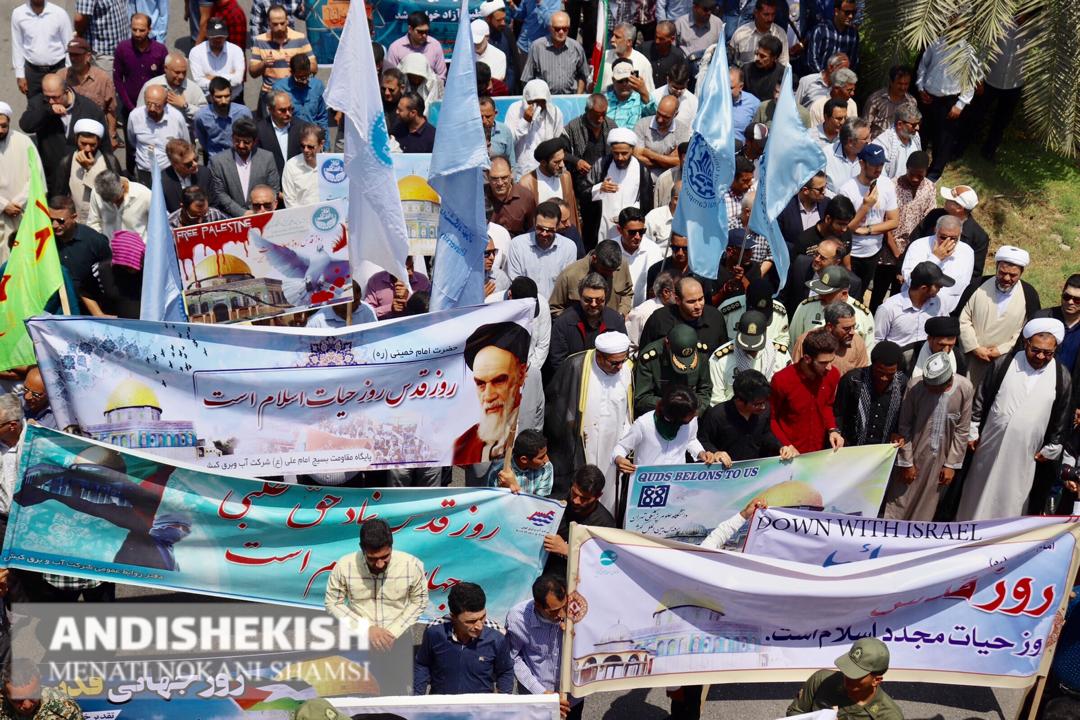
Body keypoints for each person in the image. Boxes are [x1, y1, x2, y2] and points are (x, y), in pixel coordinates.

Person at [957, 319, 1073, 521]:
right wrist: (973, 428)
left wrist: (1054, 444)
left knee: (1014, 497)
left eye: (1048, 353)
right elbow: (982, 397)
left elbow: (1063, 414)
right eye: (1035, 350)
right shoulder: (1004, 363)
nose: (1040, 356)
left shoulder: (1060, 375)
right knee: (978, 491)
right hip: (990, 444)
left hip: (1027, 452)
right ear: (1026, 343)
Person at [544, 332, 633, 508]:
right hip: (583, 442)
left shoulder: (627, 369)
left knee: (610, 492)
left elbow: (627, 412)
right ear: (599, 356)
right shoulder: (576, 366)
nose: (619, 367)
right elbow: (559, 406)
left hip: (614, 443)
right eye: (614, 363)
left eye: (622, 361)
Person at [884, 351, 973, 521]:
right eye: (927, 384)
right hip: (914, 454)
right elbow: (904, 426)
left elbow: (962, 430)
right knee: (899, 504)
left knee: (926, 507)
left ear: (947, 382)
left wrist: (951, 465)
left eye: (933, 387)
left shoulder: (965, 388)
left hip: (941, 460)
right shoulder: (915, 387)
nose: (928, 388)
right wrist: (907, 463)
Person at [324, 518, 428, 651]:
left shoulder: (412, 566)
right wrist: (366, 629)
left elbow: (419, 601)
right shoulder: (344, 566)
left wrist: (393, 632)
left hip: (399, 640)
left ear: (391, 546)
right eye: (372, 558)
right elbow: (333, 603)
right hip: (357, 640)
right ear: (362, 548)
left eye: (385, 557)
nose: (379, 564)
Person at [958, 245, 1038, 389]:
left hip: (1005, 359)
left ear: (1021, 273)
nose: (1006, 278)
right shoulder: (978, 286)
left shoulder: (1029, 294)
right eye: (1002, 273)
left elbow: (1027, 330)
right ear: (996, 267)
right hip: (972, 357)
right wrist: (974, 347)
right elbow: (963, 319)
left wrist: (1002, 350)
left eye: (1013, 275)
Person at [414, 582, 514, 695]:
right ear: (453, 617)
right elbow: (422, 664)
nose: (479, 626)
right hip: (442, 705)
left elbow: (505, 671)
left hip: (481, 705)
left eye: (482, 617)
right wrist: (417, 698)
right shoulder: (434, 631)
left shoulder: (497, 636)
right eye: (470, 621)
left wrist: (503, 700)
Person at [453, 322, 531, 465]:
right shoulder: (464, 444)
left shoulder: (532, 389)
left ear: (520, 375)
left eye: (499, 381)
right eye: (481, 384)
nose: (488, 396)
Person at [505, 575, 579, 720]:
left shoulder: (576, 612)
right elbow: (514, 658)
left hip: (572, 698)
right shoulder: (518, 619)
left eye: (564, 607)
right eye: (554, 611)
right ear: (538, 606)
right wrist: (541, 692)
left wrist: (577, 633)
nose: (561, 614)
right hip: (536, 699)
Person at [19, 74, 107, 194]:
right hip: (52, 176)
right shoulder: (39, 103)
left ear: (66, 91)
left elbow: (105, 146)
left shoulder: (89, 109)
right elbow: (26, 125)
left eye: (55, 97)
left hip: (81, 173)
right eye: (47, 97)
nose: (51, 101)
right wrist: (48, 111)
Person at [839, 144, 899, 309]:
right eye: (874, 164)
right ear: (862, 163)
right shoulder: (847, 190)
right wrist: (865, 207)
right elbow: (845, 229)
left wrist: (868, 230)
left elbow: (894, 221)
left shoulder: (886, 184)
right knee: (846, 295)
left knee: (860, 294)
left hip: (873, 252)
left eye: (881, 164)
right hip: (851, 253)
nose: (878, 168)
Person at [614, 384, 717, 478]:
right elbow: (622, 447)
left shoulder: (692, 420)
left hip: (677, 481)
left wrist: (701, 453)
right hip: (647, 481)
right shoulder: (644, 424)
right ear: (675, 417)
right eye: (690, 416)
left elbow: (691, 440)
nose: (696, 415)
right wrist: (618, 458)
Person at [700, 368, 796, 465]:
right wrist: (716, 453)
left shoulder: (765, 411)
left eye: (764, 402)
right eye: (757, 404)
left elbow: (766, 434)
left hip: (756, 468)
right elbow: (703, 441)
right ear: (739, 401)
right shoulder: (717, 415)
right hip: (726, 468)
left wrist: (780, 447)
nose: (763, 407)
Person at [787, 638, 902, 719]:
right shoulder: (822, 680)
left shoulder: (889, 716)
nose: (848, 677)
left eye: (857, 675)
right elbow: (795, 712)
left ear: (876, 680)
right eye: (848, 668)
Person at [771, 328, 844, 453]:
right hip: (789, 455)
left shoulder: (833, 375)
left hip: (819, 453)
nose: (829, 367)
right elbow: (771, 419)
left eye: (831, 361)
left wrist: (833, 429)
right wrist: (786, 444)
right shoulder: (782, 380)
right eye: (823, 363)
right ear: (807, 358)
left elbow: (826, 405)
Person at [546, 273, 628, 381]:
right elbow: (558, 362)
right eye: (588, 300)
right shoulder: (563, 323)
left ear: (606, 298)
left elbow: (623, 354)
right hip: (574, 381)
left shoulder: (616, 321)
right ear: (580, 297)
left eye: (599, 300)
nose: (593, 304)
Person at [916, 35, 975, 181]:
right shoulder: (935, 43)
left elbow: (970, 81)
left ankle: (933, 175)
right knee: (921, 135)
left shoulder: (968, 51)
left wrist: (960, 105)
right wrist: (920, 88)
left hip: (949, 102)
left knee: (943, 140)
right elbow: (923, 66)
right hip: (928, 98)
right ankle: (916, 166)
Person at [543, 465, 617, 578]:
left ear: (598, 496)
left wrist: (568, 551)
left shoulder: (605, 525)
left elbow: (606, 562)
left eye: (584, 498)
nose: (576, 501)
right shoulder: (552, 505)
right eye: (574, 493)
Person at [586, 128, 654, 244]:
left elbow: (646, 202)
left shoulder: (641, 169)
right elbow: (584, 190)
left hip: (630, 228)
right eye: (616, 153)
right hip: (604, 225)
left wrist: (629, 215)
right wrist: (599, 188)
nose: (620, 157)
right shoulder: (601, 165)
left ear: (632, 150)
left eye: (624, 153)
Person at [834, 340, 907, 447]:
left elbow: (902, 415)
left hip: (883, 447)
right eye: (880, 372)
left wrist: (897, 434)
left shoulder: (902, 383)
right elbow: (839, 413)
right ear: (873, 365)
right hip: (851, 446)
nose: (884, 378)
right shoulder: (853, 380)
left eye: (890, 374)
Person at [710, 310, 791, 404]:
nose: (750, 349)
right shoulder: (720, 359)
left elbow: (788, 391)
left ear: (765, 332)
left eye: (755, 345)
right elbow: (717, 400)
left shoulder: (781, 355)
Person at [913, 184, 990, 283]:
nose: (946, 200)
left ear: (959, 208)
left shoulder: (979, 237)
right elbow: (914, 239)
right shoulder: (934, 215)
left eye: (950, 200)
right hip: (916, 275)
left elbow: (974, 274)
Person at [789, 266, 875, 353]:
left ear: (844, 294)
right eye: (820, 291)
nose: (821, 296)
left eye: (827, 293)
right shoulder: (806, 307)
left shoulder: (862, 315)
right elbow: (793, 344)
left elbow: (868, 352)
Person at [208, 117, 281, 218]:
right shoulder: (217, 162)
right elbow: (219, 193)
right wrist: (241, 212)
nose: (241, 145)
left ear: (255, 141)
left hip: (263, 215)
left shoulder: (267, 158)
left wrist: (259, 210)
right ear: (232, 138)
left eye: (246, 142)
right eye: (237, 141)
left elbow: (273, 188)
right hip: (232, 218)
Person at [634, 324, 712, 417]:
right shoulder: (651, 359)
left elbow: (705, 389)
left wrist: (696, 412)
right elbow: (641, 398)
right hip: (661, 414)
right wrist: (672, 406)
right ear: (667, 343)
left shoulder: (700, 353)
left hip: (692, 414)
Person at [249, 5, 317, 110]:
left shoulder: (300, 38)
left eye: (282, 23)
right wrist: (263, 64)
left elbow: (314, 68)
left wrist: (298, 64)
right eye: (275, 24)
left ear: (287, 21)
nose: (279, 27)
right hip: (270, 95)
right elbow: (253, 72)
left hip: (295, 94)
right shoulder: (260, 41)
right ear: (268, 23)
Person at [54, 119, 120, 226]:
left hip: (104, 222)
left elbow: (116, 193)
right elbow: (59, 195)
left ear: (99, 142)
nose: (87, 149)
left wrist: (90, 169)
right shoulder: (67, 162)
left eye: (92, 144)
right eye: (83, 144)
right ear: (76, 140)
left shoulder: (109, 161)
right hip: (78, 222)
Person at [900, 215, 971, 314]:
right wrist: (935, 258)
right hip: (913, 309)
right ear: (935, 231)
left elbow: (963, 286)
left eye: (953, 238)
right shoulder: (918, 246)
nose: (947, 242)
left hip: (943, 313)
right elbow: (911, 280)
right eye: (943, 237)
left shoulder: (967, 252)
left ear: (960, 235)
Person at [640, 276, 729, 353]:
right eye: (691, 302)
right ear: (678, 300)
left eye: (701, 299)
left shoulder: (715, 318)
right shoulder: (659, 319)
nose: (698, 306)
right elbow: (646, 356)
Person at [548, 240, 634, 318]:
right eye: (606, 270)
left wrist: (621, 313)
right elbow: (555, 308)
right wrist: (574, 324)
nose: (611, 274)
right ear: (594, 259)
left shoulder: (621, 264)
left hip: (612, 326)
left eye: (614, 270)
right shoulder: (570, 275)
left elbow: (627, 293)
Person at [874, 261, 949, 346]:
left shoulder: (939, 303)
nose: (941, 287)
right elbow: (876, 341)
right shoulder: (889, 308)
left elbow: (945, 331)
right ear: (923, 288)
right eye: (937, 286)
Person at [112, 14, 167, 128]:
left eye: (142, 30)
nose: (137, 34)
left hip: (155, 109)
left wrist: (158, 104)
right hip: (129, 108)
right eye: (134, 29)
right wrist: (130, 106)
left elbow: (165, 80)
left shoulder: (160, 50)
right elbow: (118, 79)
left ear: (149, 29)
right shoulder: (122, 48)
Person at [0, 104, 45, 245]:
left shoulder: (24, 142)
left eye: (4, 126)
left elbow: (36, 177)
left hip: (22, 213)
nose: (0, 130)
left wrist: (19, 202)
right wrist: (3, 205)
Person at [126, 84, 188, 185]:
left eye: (157, 105)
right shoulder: (135, 116)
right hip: (144, 172)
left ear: (165, 103)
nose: (152, 109)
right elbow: (132, 140)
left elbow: (185, 145)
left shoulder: (176, 118)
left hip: (168, 172)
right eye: (148, 104)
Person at [61, 38, 118, 147]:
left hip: (94, 139)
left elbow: (110, 111)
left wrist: (112, 135)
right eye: (71, 55)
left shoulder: (102, 79)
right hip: (68, 138)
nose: (73, 58)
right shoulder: (61, 77)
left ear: (88, 56)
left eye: (77, 55)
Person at [11, 0, 73, 99]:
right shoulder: (18, 14)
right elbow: (17, 45)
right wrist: (20, 75)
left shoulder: (59, 13)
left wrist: (69, 72)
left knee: (59, 105)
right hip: (33, 73)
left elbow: (69, 44)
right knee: (35, 105)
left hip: (58, 70)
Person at [521, 11, 590, 96]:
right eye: (557, 29)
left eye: (565, 29)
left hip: (570, 99)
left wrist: (577, 97)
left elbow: (583, 75)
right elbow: (527, 79)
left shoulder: (577, 47)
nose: (561, 32)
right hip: (544, 99)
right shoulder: (537, 47)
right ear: (550, 28)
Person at [519, 138, 581, 232]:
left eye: (562, 160)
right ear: (543, 163)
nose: (562, 165)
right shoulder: (527, 182)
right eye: (557, 162)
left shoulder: (566, 177)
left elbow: (571, 210)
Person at [506, 80, 565, 177]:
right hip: (520, 170)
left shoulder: (555, 113)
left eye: (541, 101)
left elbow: (556, 144)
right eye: (533, 102)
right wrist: (525, 121)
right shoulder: (515, 110)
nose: (537, 105)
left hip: (545, 171)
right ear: (526, 99)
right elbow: (509, 142)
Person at [138, 52, 206, 131]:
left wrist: (186, 106)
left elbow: (205, 117)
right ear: (165, 68)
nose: (181, 76)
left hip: (185, 136)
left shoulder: (193, 89)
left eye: (184, 72)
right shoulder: (150, 86)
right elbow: (139, 116)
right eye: (177, 72)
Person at [892, 151, 935, 273]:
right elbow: (885, 221)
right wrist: (896, 252)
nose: (915, 179)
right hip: (889, 249)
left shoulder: (929, 188)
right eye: (911, 174)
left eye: (920, 175)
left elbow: (929, 220)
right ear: (906, 168)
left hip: (913, 250)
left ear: (926, 171)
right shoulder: (892, 186)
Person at [194, 76, 252, 163]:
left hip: (240, 159)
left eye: (227, 96)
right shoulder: (201, 116)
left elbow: (251, 136)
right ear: (211, 97)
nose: (223, 101)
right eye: (219, 97)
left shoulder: (243, 113)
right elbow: (203, 140)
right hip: (215, 162)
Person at [633, 96, 689, 185]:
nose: (660, 119)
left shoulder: (683, 130)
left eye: (666, 117)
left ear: (675, 114)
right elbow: (637, 157)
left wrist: (648, 153)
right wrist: (667, 161)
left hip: (669, 183)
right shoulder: (642, 124)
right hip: (643, 181)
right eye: (658, 113)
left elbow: (680, 162)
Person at [1032, 275, 1080, 379]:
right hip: (1038, 380)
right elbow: (1022, 350)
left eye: (1077, 300)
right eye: (1066, 297)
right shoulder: (1041, 318)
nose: (1070, 302)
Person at [273, 54, 328, 140]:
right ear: (291, 72)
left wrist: (325, 142)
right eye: (300, 77)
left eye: (307, 76)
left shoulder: (317, 86)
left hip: (312, 139)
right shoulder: (279, 89)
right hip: (289, 138)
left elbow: (322, 118)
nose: (304, 81)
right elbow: (275, 119)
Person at [0, 665, 85, 720]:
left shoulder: (65, 708)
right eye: (18, 700)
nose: (27, 705)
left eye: (33, 695)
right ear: (4, 693)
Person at [188, 19, 245, 100]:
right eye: (214, 36)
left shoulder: (236, 50)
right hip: (207, 101)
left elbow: (238, 80)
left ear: (226, 36)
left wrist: (211, 78)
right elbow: (199, 81)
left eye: (221, 36)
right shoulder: (196, 52)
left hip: (234, 99)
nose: (218, 39)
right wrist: (229, 76)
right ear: (207, 35)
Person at [484, 429, 553, 496]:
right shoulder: (498, 472)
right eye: (541, 457)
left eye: (546, 454)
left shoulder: (546, 468)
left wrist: (515, 486)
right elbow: (495, 501)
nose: (547, 460)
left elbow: (541, 502)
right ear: (524, 459)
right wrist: (505, 489)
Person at [385, 11, 447, 82]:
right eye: (420, 32)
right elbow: (391, 77)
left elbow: (441, 76)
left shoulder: (435, 45)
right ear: (410, 29)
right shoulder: (395, 48)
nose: (424, 35)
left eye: (426, 31)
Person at [362, 255, 431, 319]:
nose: (411, 273)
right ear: (392, 268)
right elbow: (366, 314)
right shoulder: (376, 281)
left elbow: (430, 308)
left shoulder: (422, 281)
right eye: (406, 269)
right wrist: (390, 308)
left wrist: (409, 299)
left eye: (411, 266)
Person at [86, 171, 151, 237]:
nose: (115, 205)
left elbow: (155, 225)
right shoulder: (96, 193)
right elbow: (93, 223)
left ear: (123, 187)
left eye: (118, 200)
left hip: (139, 243)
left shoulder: (145, 195)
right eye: (109, 202)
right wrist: (100, 240)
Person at [803, 0, 859, 75]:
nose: (851, 16)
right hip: (818, 79)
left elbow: (853, 62)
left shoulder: (853, 35)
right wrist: (825, 78)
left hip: (842, 80)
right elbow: (812, 60)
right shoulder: (820, 30)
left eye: (854, 12)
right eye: (847, 12)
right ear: (836, 11)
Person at [862, 65, 918, 139]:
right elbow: (865, 125)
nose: (903, 87)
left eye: (906, 84)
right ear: (891, 82)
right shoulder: (875, 99)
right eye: (900, 83)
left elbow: (912, 126)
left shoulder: (911, 102)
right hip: (877, 142)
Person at [487, 156, 537, 236]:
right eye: (495, 178)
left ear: (512, 174)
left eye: (504, 178)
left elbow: (531, 229)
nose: (500, 183)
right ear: (487, 176)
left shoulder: (526, 197)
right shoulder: (479, 197)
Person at [729, 0, 789, 66]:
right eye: (766, 14)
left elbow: (784, 64)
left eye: (773, 14)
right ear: (756, 13)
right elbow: (730, 63)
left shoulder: (780, 34)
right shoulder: (741, 34)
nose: (770, 19)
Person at [602, 23, 656, 95]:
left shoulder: (643, 63)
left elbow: (649, 94)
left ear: (629, 42)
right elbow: (591, 86)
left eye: (617, 37)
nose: (612, 40)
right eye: (613, 35)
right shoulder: (604, 57)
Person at [907, 315, 967, 379]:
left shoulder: (958, 356)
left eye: (950, 345)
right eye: (941, 345)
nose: (946, 350)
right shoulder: (912, 352)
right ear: (929, 339)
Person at [73, 0, 126, 73]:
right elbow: (80, 19)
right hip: (104, 55)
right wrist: (79, 35)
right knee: (104, 80)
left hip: (122, 50)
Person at [160, 139, 211, 214]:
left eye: (196, 159)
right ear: (175, 165)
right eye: (188, 164)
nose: (195, 164)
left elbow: (214, 203)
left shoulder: (205, 173)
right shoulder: (161, 181)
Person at [605, 60, 656, 131]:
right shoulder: (604, 100)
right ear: (613, 80)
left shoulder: (641, 99)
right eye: (620, 81)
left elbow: (655, 117)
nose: (624, 84)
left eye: (627, 80)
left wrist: (644, 93)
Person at [874, 106, 922, 180]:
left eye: (919, 123)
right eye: (914, 125)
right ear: (900, 124)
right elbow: (879, 177)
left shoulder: (915, 136)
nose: (917, 128)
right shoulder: (882, 143)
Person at [674, 0, 723, 70]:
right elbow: (673, 51)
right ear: (695, 7)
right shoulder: (680, 24)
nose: (709, 13)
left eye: (711, 9)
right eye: (705, 9)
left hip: (709, 69)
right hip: (686, 69)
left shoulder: (718, 24)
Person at [281, 125, 322, 207]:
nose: (306, 150)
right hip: (302, 214)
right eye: (303, 146)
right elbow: (289, 199)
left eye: (310, 147)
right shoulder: (291, 165)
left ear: (321, 144)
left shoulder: (330, 164)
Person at [642, 21, 687, 89]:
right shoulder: (643, 49)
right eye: (656, 37)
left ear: (672, 39)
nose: (657, 41)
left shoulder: (678, 57)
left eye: (661, 39)